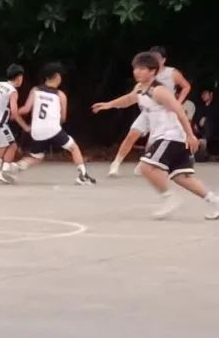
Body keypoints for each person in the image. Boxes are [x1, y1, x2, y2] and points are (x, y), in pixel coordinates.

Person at [93, 52, 219, 220]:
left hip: (171, 136)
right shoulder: (140, 88)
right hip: (170, 137)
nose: (137, 72)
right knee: (182, 178)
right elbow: (129, 99)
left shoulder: (159, 91)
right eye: (135, 68)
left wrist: (190, 135)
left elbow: (180, 111)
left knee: (145, 167)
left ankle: (169, 197)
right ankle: (216, 202)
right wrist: (109, 104)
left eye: (142, 69)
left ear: (153, 71)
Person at [108, 46, 190, 177]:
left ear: (163, 60)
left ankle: (146, 163)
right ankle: (116, 163)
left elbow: (186, 86)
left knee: (154, 140)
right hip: (147, 111)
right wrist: (110, 104)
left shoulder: (172, 73)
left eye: (157, 58)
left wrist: (179, 102)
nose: (154, 59)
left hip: (164, 113)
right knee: (132, 134)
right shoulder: (142, 78)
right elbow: (131, 97)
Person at [16, 62, 95, 185]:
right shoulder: (60, 95)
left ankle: (14, 167)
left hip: (36, 130)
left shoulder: (35, 90)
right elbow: (63, 117)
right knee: (74, 147)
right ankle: (83, 176)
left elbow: (26, 109)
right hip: (53, 129)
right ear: (57, 76)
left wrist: (15, 113)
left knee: (36, 157)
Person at [193, 88, 218, 160]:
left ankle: (204, 139)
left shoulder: (216, 106)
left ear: (211, 94)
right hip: (201, 128)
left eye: (205, 94)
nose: (203, 96)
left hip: (213, 128)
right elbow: (197, 117)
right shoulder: (201, 107)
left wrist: (206, 119)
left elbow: (215, 118)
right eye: (202, 94)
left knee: (207, 122)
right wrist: (196, 124)